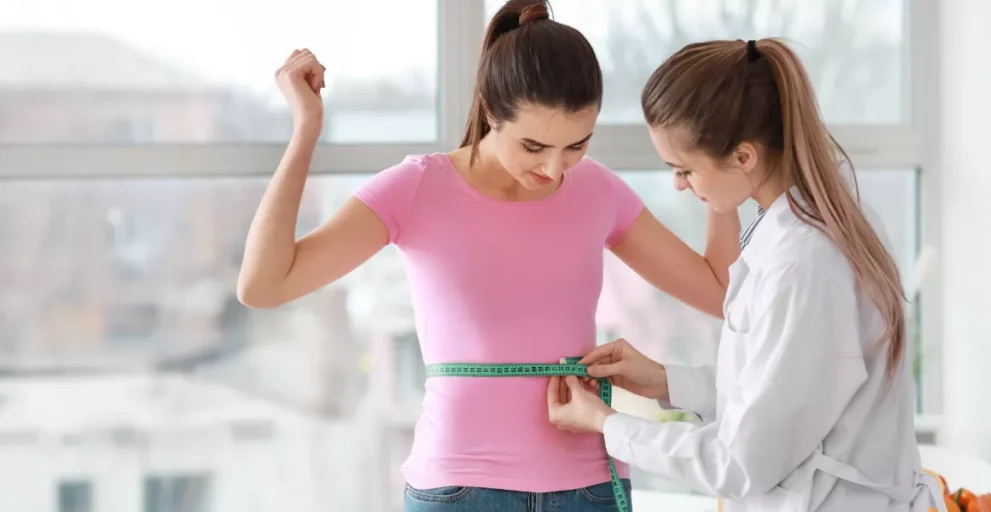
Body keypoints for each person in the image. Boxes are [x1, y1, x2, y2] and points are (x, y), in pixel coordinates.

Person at [236, 1, 740, 510]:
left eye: (576, 146)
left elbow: (721, 291)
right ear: (491, 111)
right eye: (533, 146)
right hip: (461, 489)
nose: (554, 169)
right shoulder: (417, 189)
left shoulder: (598, 191)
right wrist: (306, 130)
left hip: (587, 489)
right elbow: (264, 284)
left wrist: (718, 166)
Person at [546, 38, 945, 511]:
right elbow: (783, 391)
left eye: (684, 169)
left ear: (743, 157)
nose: (678, 184)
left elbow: (741, 460)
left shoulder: (804, 265)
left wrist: (607, 424)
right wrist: (665, 380)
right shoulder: (813, 222)